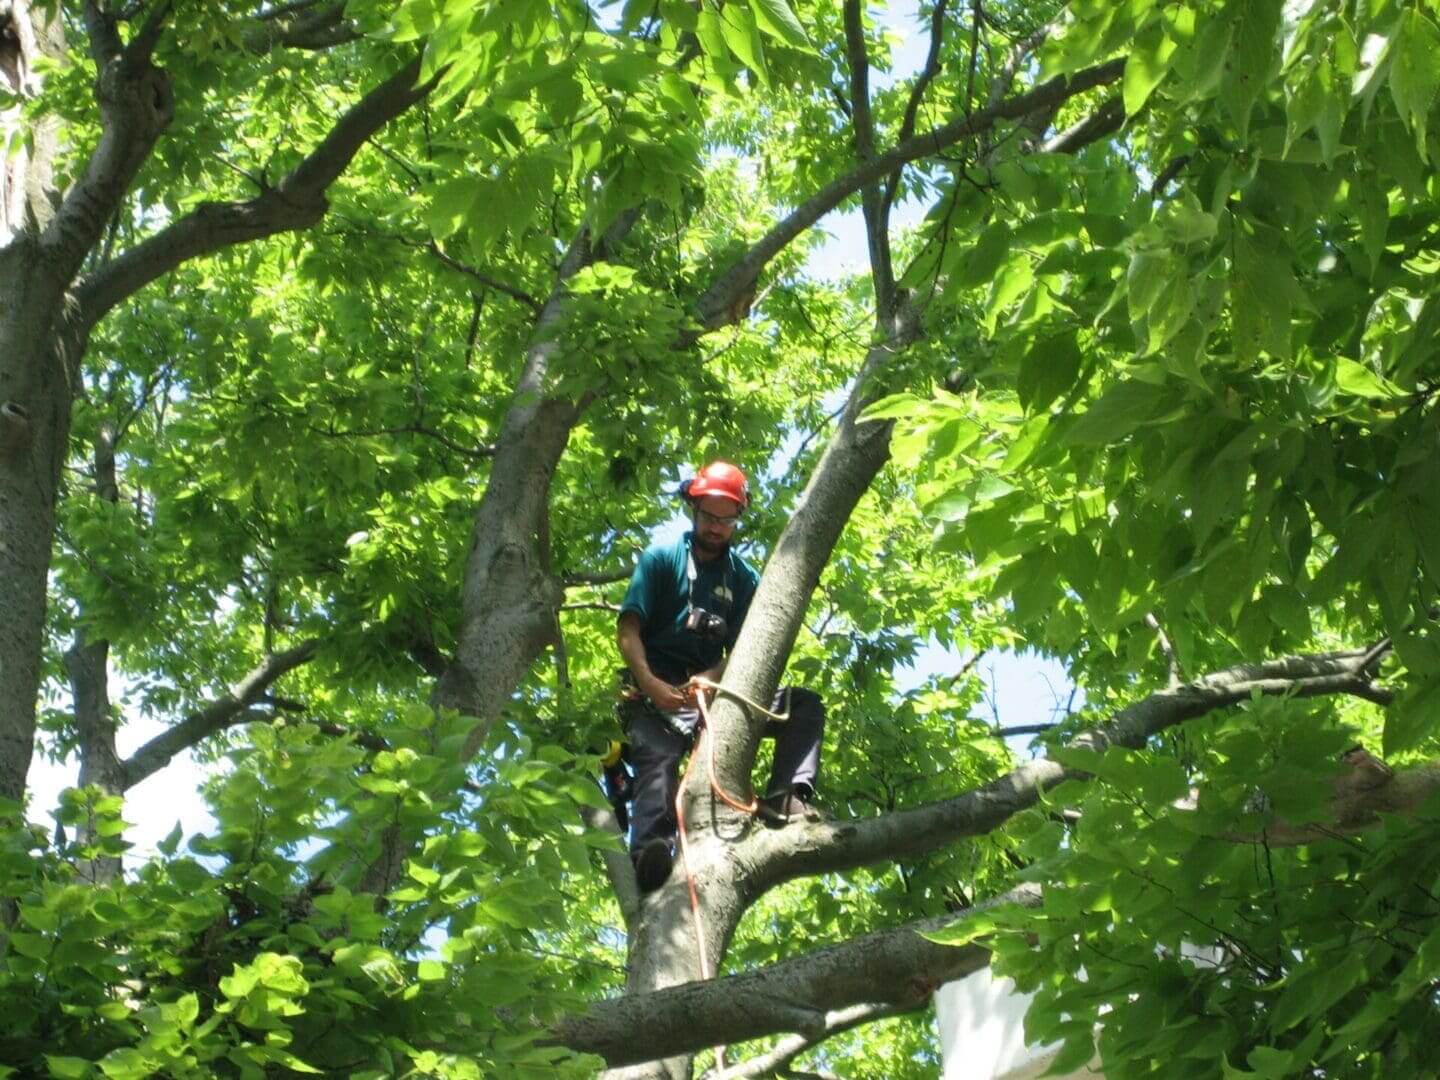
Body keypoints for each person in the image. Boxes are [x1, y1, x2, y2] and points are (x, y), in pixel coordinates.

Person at [616, 461, 826, 893]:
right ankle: (652, 854)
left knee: (802, 706)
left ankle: (785, 796)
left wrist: (709, 681)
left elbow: (744, 650)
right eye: (709, 516)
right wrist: (653, 685)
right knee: (656, 758)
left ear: (737, 520)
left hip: (715, 689)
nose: (716, 527)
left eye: (725, 519)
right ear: (694, 511)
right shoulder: (661, 560)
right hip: (653, 686)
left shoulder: (743, 578)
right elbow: (628, 632)